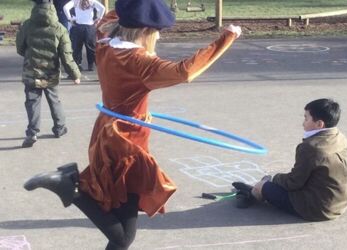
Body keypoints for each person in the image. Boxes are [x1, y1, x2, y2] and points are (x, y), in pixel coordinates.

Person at [23, 0, 242, 248]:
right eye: (157, 32)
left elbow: (114, 17)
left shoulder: (104, 44)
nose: (158, 38)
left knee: (119, 228)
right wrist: (227, 37)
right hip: (128, 144)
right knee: (124, 236)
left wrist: (135, 6)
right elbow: (185, 71)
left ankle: (69, 184)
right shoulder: (140, 63)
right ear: (146, 32)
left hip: (108, 133)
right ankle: (69, 187)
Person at [233, 98, 347, 221]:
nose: (303, 123)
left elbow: (294, 182)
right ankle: (257, 189)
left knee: (264, 185)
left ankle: (253, 193)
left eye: (306, 118)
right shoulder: (340, 137)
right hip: (340, 204)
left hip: (318, 209)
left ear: (319, 124)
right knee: (271, 183)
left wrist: (274, 179)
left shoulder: (311, 147)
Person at [16, 0, 81, 148]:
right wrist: (75, 74)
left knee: (32, 102)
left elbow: (20, 48)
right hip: (50, 72)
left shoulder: (27, 25)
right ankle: (59, 128)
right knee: (54, 100)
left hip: (31, 71)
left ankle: (32, 132)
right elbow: (66, 55)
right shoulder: (59, 28)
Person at [63, 0, 105, 71]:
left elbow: (65, 7)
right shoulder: (92, 1)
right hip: (89, 26)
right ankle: (91, 65)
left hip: (78, 26)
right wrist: (99, 18)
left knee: (76, 47)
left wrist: (70, 18)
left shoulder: (75, 1)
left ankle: (77, 65)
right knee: (91, 47)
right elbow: (102, 8)